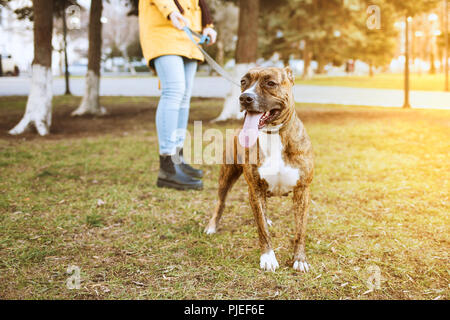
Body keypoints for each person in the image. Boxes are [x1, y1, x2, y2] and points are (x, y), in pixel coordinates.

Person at [139, 0, 217, 190]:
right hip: (164, 31)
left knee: (183, 97)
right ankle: (167, 167)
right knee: (173, 91)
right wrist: (171, 11)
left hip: (189, 35)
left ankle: (177, 159)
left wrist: (207, 26)